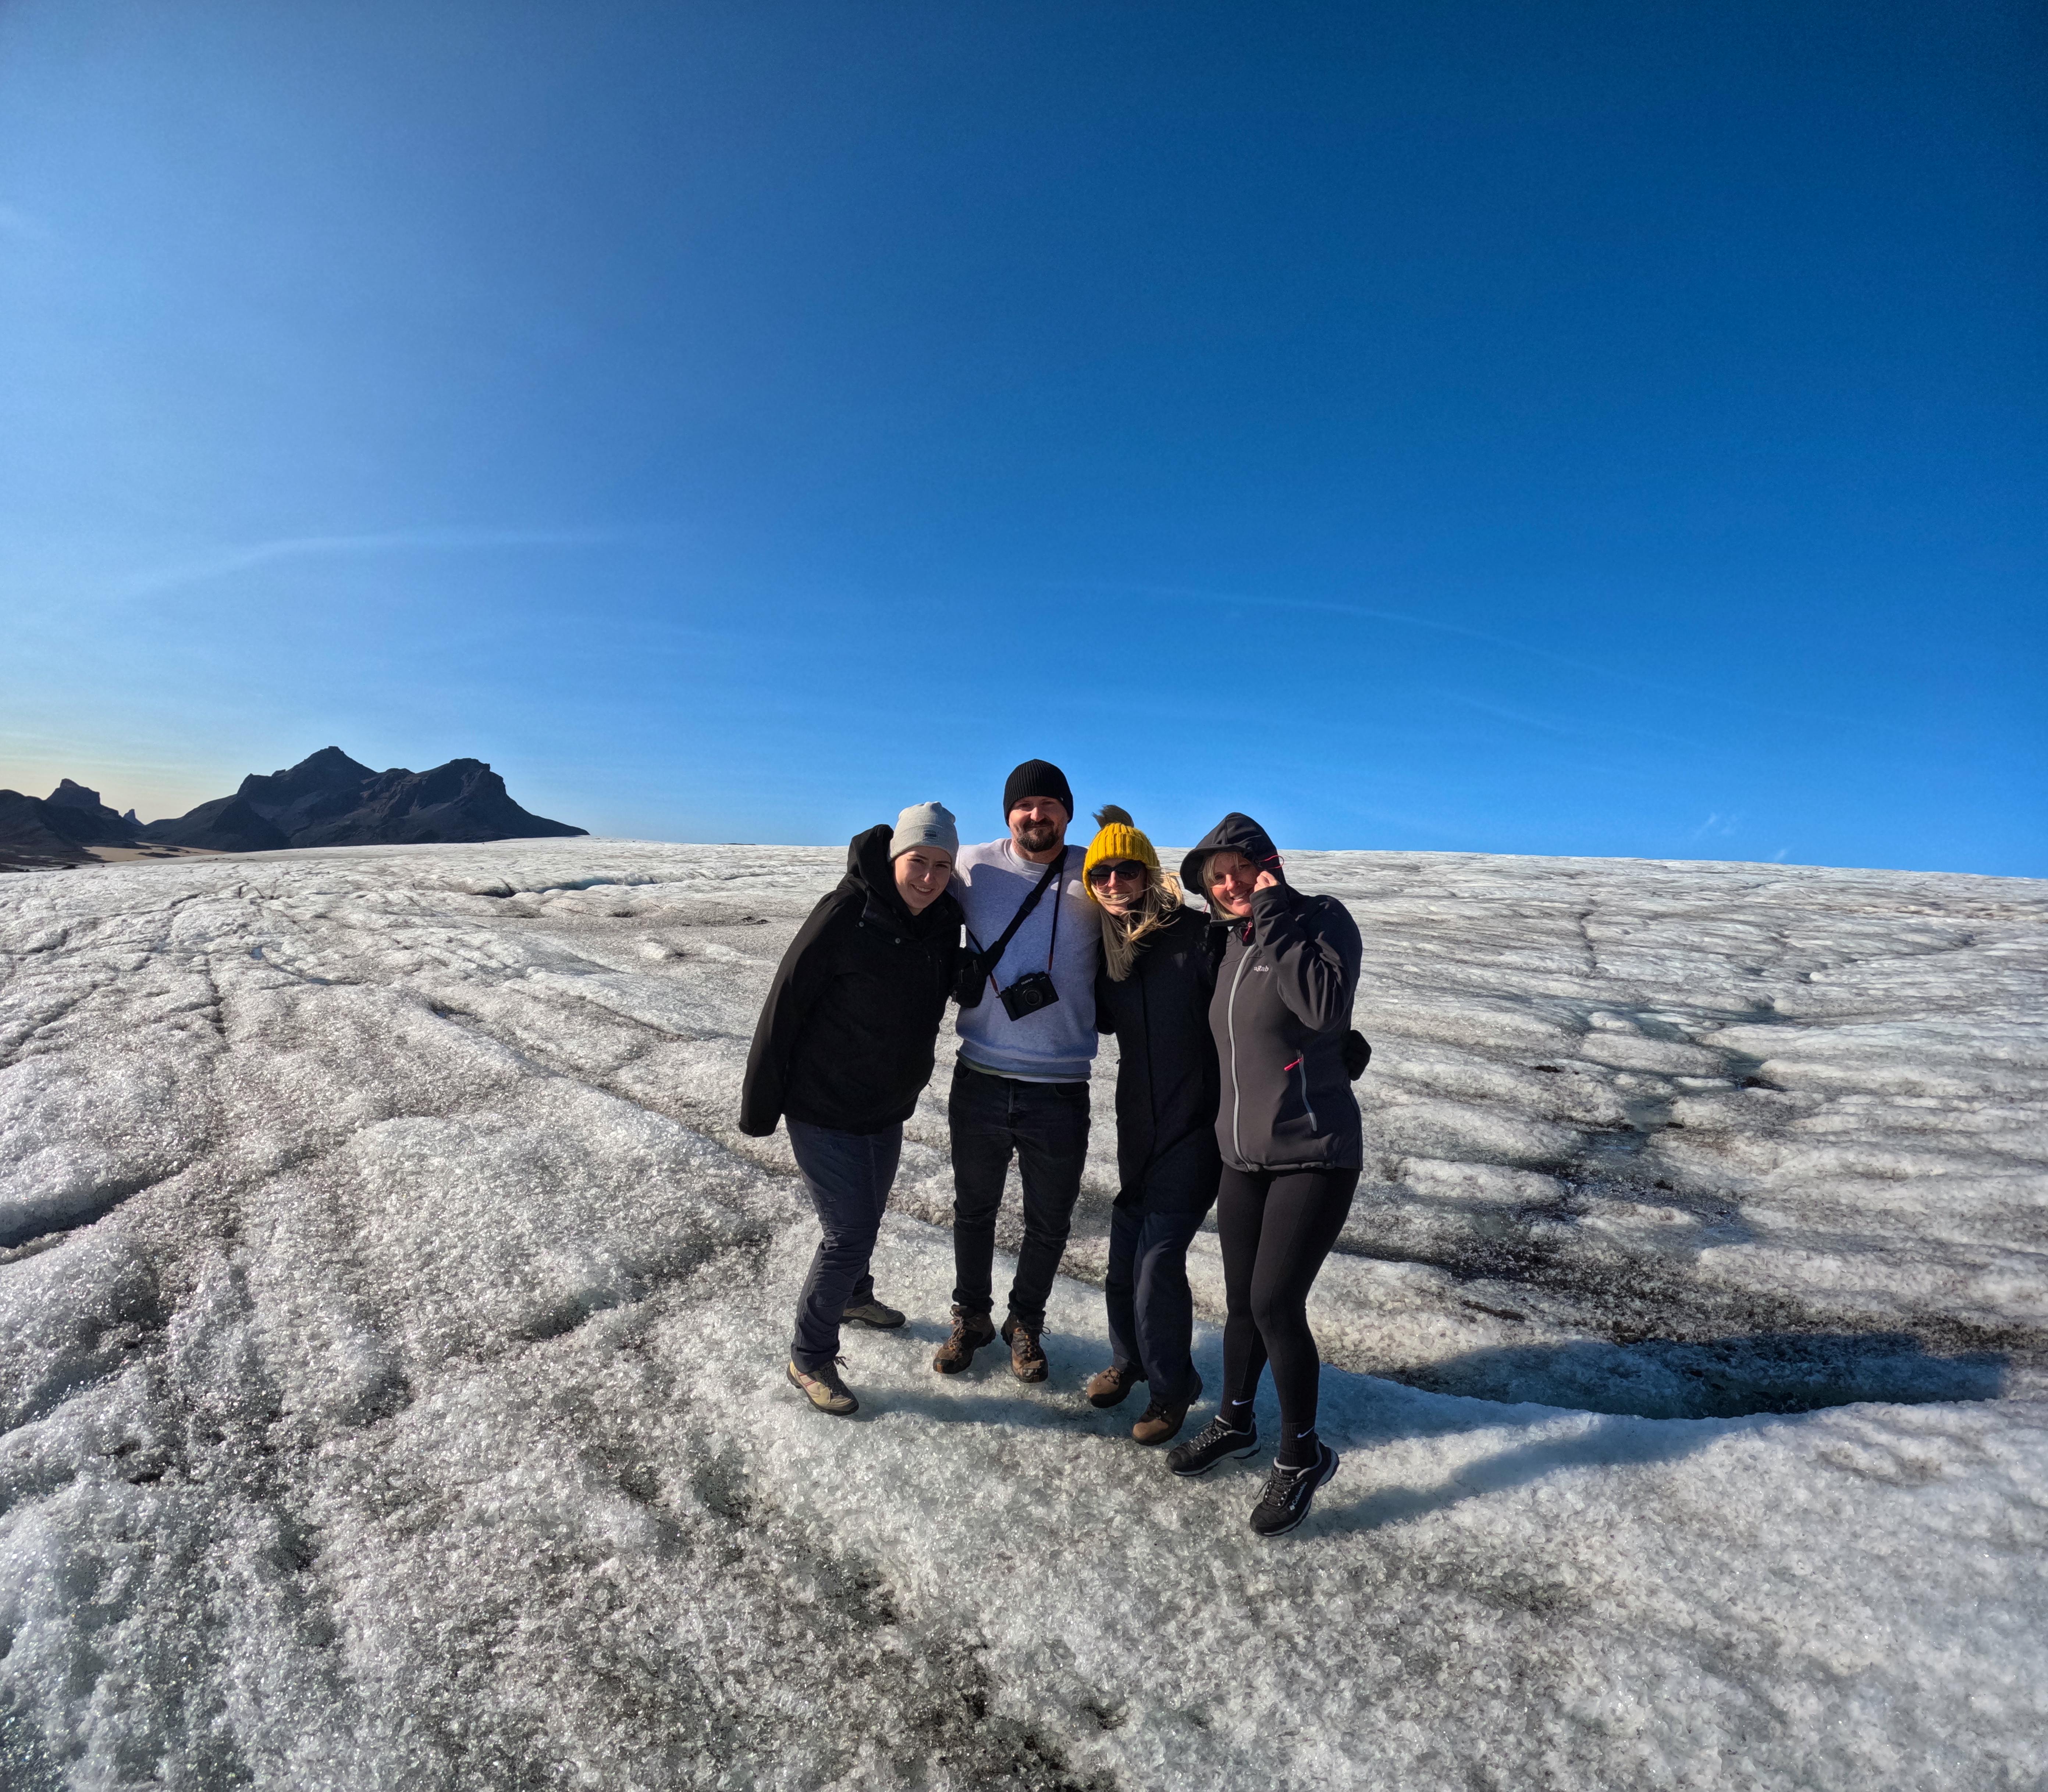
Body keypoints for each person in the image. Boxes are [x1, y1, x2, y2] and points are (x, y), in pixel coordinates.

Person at [1166, 812, 1364, 1537]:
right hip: (1241, 1157)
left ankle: (1302, 1456)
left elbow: (1322, 1005)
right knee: (1243, 1305)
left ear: (1268, 866)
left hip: (1313, 1151)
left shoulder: (1319, 919)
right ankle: (1236, 1421)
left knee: (1277, 1303)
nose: (1228, 885)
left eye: (1240, 871)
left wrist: (1275, 911)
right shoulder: (1228, 941)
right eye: (1216, 877)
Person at [739, 802, 963, 1416]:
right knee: (849, 1232)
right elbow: (785, 1003)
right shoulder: (845, 912)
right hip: (822, 1103)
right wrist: (760, 1105)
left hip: (886, 1104)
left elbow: (931, 982)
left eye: (943, 865)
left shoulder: (942, 919)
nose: (930, 877)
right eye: (919, 861)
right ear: (895, 859)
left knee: (866, 1214)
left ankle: (853, 1296)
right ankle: (809, 1356)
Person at [933, 760, 1100, 1382]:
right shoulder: (971, 866)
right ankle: (971, 1317)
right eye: (1024, 805)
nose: (1036, 815)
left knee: (1049, 1221)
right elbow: (908, 893)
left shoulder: (1098, 872)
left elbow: (1156, 920)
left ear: (1068, 812)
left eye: (1049, 804)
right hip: (979, 1077)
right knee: (974, 1210)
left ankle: (1025, 1322)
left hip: (1061, 1086)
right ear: (1008, 814)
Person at [1081, 806, 1221, 1446]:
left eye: (1127, 870)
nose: (1114, 882)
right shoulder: (1109, 949)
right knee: (1123, 1258)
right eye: (1101, 874)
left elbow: (1256, 1000)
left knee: (1158, 1263)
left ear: (1148, 872)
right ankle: (1129, 1359)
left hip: (1199, 1126)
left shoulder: (1199, 936)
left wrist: (1331, 1044)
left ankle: (1173, 1387)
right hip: (1138, 1125)